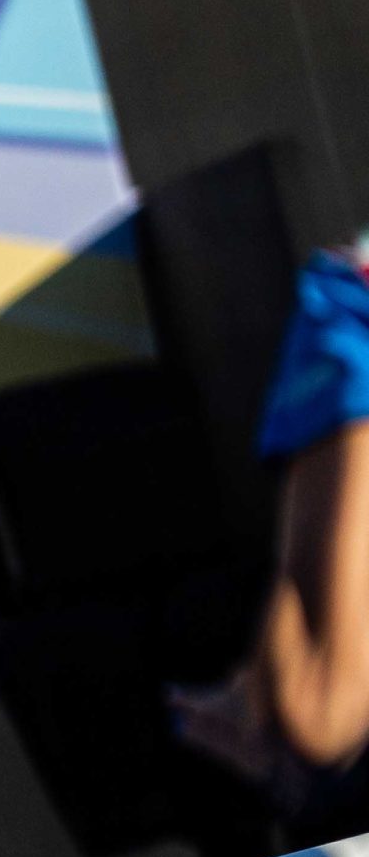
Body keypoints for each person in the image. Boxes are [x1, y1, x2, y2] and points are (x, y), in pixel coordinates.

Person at [174, 239, 369, 802]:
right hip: (354, 315)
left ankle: (255, 693)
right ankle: (258, 695)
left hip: (346, 314)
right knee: (320, 713)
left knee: (318, 713)